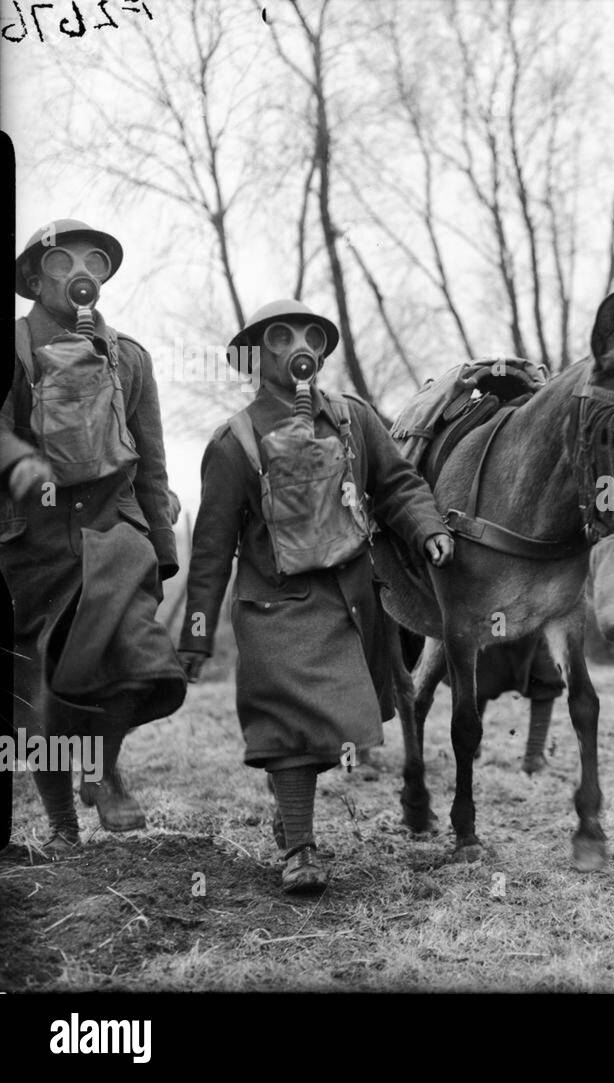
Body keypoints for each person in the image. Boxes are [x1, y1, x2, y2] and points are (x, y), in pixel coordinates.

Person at [178, 300, 453, 892]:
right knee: (288, 727)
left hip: (349, 597)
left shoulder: (352, 419)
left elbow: (398, 485)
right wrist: (195, 636)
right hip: (273, 605)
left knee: (339, 723)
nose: (299, 345)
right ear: (256, 356)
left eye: (310, 336)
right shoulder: (234, 442)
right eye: (281, 336)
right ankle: (300, 849)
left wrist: (427, 528)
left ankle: (290, 808)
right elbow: (209, 551)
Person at [3, 218, 181, 849]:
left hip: (114, 535)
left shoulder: (129, 356)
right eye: (62, 262)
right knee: (42, 689)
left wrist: (161, 550)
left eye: (94, 262)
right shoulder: (15, 347)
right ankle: (61, 829)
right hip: (34, 543)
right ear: (33, 277)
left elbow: (152, 460)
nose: (80, 273)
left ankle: (101, 767)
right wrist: (18, 462)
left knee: (145, 662)